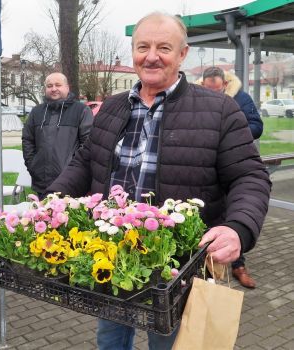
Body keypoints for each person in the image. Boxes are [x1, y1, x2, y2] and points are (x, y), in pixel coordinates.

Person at [47, 12, 271, 350]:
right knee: (110, 341)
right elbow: (85, 161)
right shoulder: (112, 107)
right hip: (111, 257)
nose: (151, 56)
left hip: (176, 270)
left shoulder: (220, 111)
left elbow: (250, 176)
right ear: (134, 52)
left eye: (164, 47)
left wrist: (238, 227)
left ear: (182, 54)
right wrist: (50, 201)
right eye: (143, 47)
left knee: (169, 343)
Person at [201, 65, 263, 288]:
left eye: (217, 90)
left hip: (234, 162)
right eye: (209, 89)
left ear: (225, 84)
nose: (213, 94)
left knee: (232, 216)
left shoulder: (241, 98)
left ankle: (238, 266)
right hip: (206, 164)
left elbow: (257, 125)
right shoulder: (197, 98)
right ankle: (205, 264)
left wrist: (230, 130)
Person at [22, 72, 93, 199]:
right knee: (44, 218)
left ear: (67, 87)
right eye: (49, 86)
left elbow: (88, 144)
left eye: (58, 85)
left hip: (71, 183)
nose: (54, 89)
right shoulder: (36, 112)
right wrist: (33, 165)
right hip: (42, 182)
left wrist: (74, 171)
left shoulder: (81, 111)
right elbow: (27, 140)